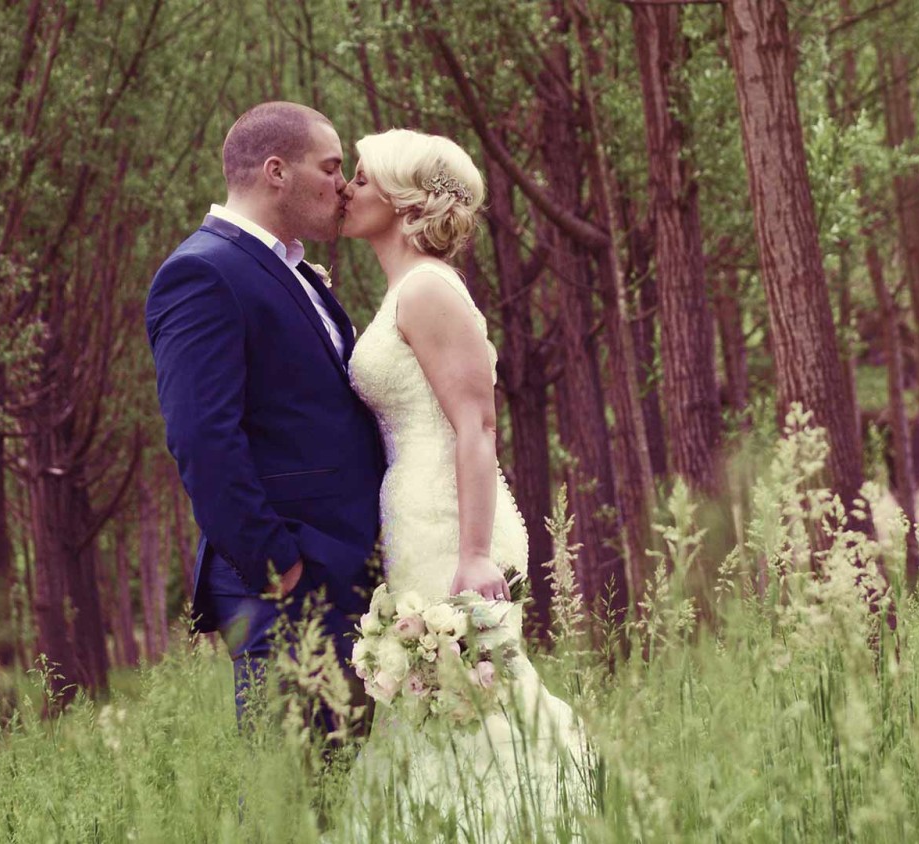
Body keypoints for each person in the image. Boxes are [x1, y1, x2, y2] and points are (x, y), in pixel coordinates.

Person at [340, 128, 594, 840]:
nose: (348, 190)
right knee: (436, 697)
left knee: (469, 695)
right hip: (416, 511)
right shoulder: (404, 290)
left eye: (362, 178)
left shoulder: (426, 289)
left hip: (452, 520)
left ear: (401, 199)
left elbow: (476, 427)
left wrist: (476, 552)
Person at [144, 102, 385, 739]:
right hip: (289, 584)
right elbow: (203, 439)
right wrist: (281, 566)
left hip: (340, 574)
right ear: (276, 171)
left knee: (339, 789)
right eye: (331, 167)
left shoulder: (292, 269)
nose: (343, 184)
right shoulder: (203, 272)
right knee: (294, 797)